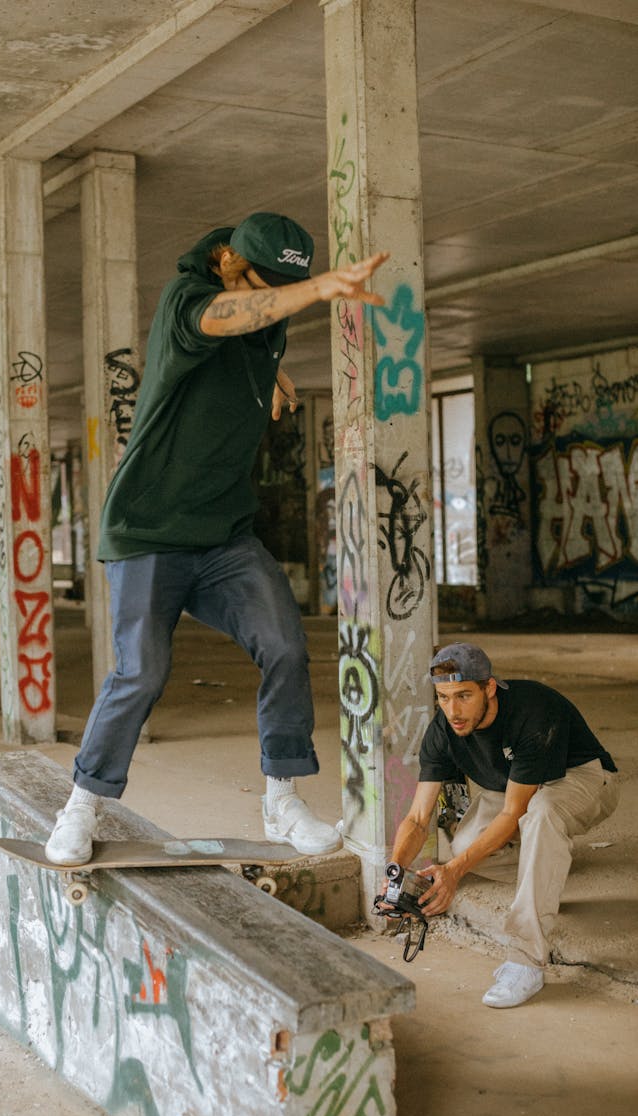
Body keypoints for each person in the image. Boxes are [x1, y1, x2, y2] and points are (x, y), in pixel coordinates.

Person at [46, 211, 389, 866]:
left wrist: (276, 380)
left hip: (224, 532)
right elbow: (229, 321)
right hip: (148, 528)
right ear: (232, 263)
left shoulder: (267, 324)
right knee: (141, 670)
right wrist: (318, 291)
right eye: (268, 288)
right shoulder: (188, 300)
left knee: (286, 643)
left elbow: (254, 340)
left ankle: (281, 798)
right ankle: (82, 804)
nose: (274, 304)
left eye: (290, 288)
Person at [380, 642, 619, 1008]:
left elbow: (514, 813)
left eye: (463, 695)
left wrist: (454, 873)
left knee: (541, 813)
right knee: (464, 845)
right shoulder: (443, 730)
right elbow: (417, 818)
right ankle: (548, 862)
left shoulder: (533, 711)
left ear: (489, 688)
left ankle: (527, 961)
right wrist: (395, 869)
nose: (453, 710)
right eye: (443, 697)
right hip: (515, 787)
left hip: (582, 778)